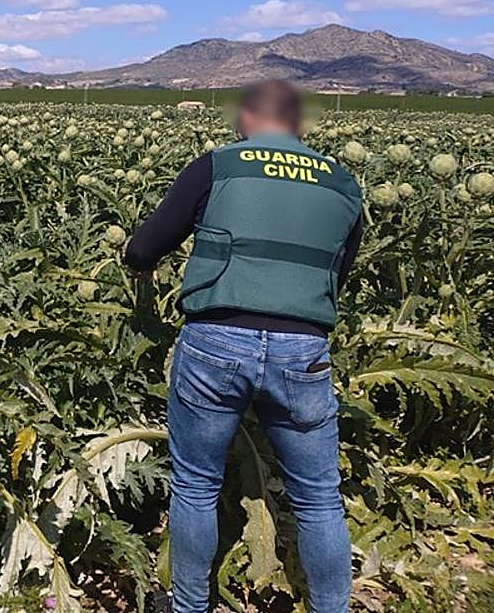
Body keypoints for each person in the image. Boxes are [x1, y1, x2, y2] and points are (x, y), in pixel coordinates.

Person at [124, 80, 362, 613]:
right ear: (297, 123)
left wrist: (137, 267)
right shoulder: (343, 183)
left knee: (195, 485)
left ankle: (188, 607)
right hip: (304, 350)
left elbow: (143, 248)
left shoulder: (218, 165)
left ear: (249, 118)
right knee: (321, 498)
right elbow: (334, 277)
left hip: (216, 342)